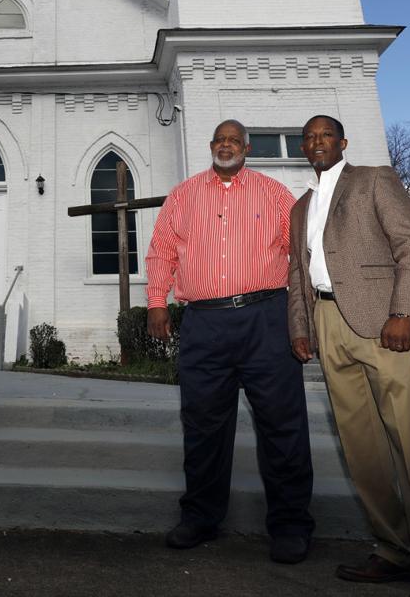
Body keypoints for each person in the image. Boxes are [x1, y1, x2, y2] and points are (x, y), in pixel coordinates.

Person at [287, 115, 410, 597]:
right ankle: (394, 551)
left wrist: (404, 312)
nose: (316, 142)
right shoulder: (299, 207)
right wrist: (302, 328)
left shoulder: (374, 180)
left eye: (325, 135)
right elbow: (298, 274)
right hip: (327, 324)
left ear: (342, 142)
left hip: (381, 324)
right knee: (361, 450)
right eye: (309, 138)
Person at [145, 119, 314, 564]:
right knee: (203, 425)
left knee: (282, 423)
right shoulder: (183, 195)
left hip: (266, 318)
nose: (226, 146)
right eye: (220, 139)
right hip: (204, 323)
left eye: (234, 140)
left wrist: (303, 316)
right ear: (211, 145)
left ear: (246, 147)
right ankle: (200, 518)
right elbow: (162, 249)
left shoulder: (274, 193)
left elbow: (300, 250)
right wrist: (155, 302)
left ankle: (291, 525)